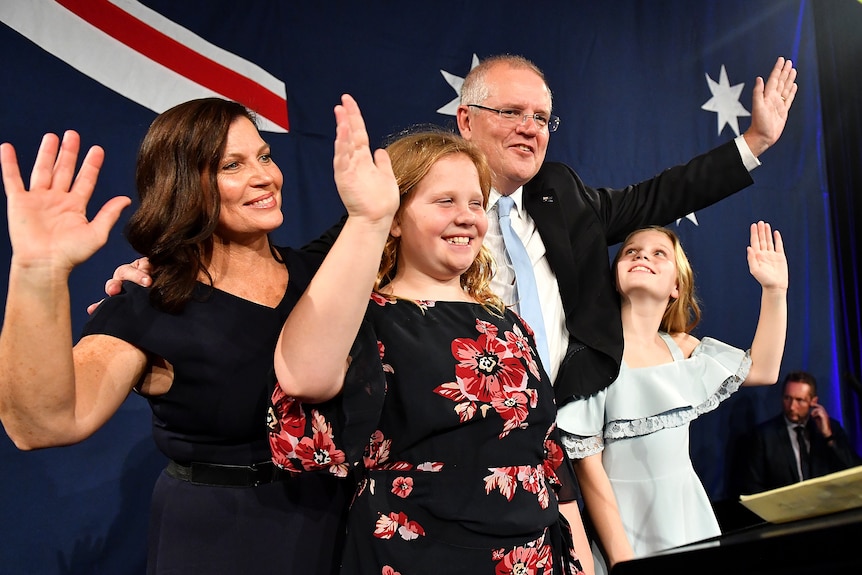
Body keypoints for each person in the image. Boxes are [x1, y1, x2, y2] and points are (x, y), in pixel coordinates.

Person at [104, 54, 799, 406]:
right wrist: (181, 269)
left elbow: (664, 192)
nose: (532, 128)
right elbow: (307, 268)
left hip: (569, 421)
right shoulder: (402, 200)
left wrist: (754, 143)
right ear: (465, 120)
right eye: (513, 112)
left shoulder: (563, 195)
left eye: (542, 117)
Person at [0, 99, 349, 574]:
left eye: (264, 156)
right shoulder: (149, 302)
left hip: (340, 526)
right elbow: (41, 425)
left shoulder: (326, 275)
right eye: (232, 165)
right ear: (183, 186)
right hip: (222, 543)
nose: (265, 176)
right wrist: (37, 271)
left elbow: (421, 188)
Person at [267, 94, 587, 574]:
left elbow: (545, 458)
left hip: (534, 558)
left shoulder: (508, 322)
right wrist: (366, 219)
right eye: (444, 201)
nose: (467, 216)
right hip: (417, 557)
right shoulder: (364, 318)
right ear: (396, 218)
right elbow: (303, 381)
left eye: (476, 202)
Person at [555, 222, 788, 573]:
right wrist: (622, 560)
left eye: (658, 253)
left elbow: (764, 370)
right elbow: (590, 473)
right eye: (631, 251)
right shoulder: (590, 356)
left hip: (688, 521)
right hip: (624, 531)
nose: (642, 256)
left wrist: (774, 291)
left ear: (676, 286)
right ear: (614, 276)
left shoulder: (682, 348)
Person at [740, 371, 862, 494]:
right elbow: (752, 486)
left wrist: (828, 436)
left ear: (813, 401)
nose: (792, 406)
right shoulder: (764, 436)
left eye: (799, 400)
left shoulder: (831, 429)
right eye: (787, 398)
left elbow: (853, 471)